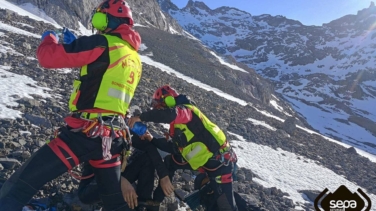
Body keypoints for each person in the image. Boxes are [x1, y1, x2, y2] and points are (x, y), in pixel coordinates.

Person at [0, 0, 143, 210]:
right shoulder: (133, 57)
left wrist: (49, 38)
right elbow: (104, 77)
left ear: (107, 18)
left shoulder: (102, 43)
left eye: (99, 18)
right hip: (112, 141)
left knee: (21, 184)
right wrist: (80, 44)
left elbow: (47, 58)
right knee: (114, 202)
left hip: (83, 134)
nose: (97, 24)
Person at [127, 85, 238, 211]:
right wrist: (152, 139)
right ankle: (155, 203)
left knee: (226, 207)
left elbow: (169, 114)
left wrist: (140, 117)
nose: (157, 108)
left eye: (158, 104)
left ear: (169, 100)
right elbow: (175, 149)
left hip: (220, 163)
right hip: (204, 162)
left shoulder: (186, 111)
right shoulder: (178, 125)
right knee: (170, 162)